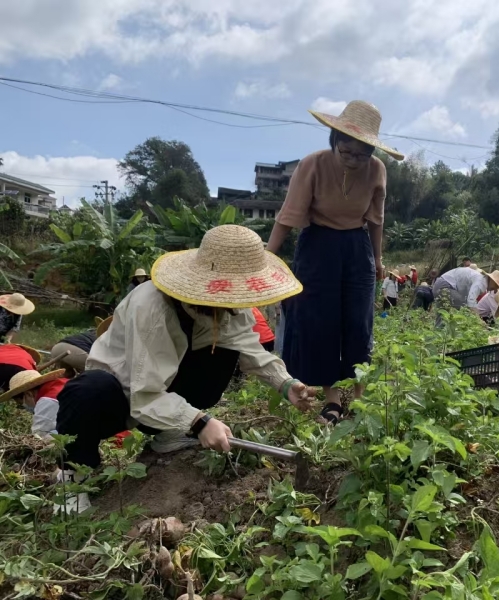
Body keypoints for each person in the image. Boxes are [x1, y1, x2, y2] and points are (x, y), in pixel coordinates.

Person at [54, 225, 317, 514]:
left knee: (225, 351)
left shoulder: (230, 306)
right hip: (121, 394)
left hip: (165, 392)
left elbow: (250, 349)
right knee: (87, 391)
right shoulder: (151, 308)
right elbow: (144, 393)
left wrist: (285, 383)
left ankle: (169, 433)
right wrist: (199, 422)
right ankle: (73, 476)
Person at [266, 100, 401, 425]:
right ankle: (332, 400)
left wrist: (378, 258)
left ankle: (358, 399)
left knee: (358, 323)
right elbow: (289, 213)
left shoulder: (377, 170)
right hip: (317, 246)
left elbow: (376, 219)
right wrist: (269, 255)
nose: (354, 160)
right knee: (321, 324)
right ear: (334, 141)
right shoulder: (312, 164)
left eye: (362, 154)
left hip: (356, 247)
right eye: (347, 152)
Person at [0, 369, 67, 438]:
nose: (25, 408)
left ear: (28, 394)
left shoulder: (47, 401)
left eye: (22, 404)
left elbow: (39, 435)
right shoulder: (63, 383)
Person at [433, 268, 499, 316]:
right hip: (444, 286)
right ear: (492, 280)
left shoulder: (479, 279)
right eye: (496, 286)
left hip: (440, 285)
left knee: (442, 315)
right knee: (465, 308)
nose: (495, 290)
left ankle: (439, 333)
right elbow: (470, 301)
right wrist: (479, 320)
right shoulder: (481, 283)